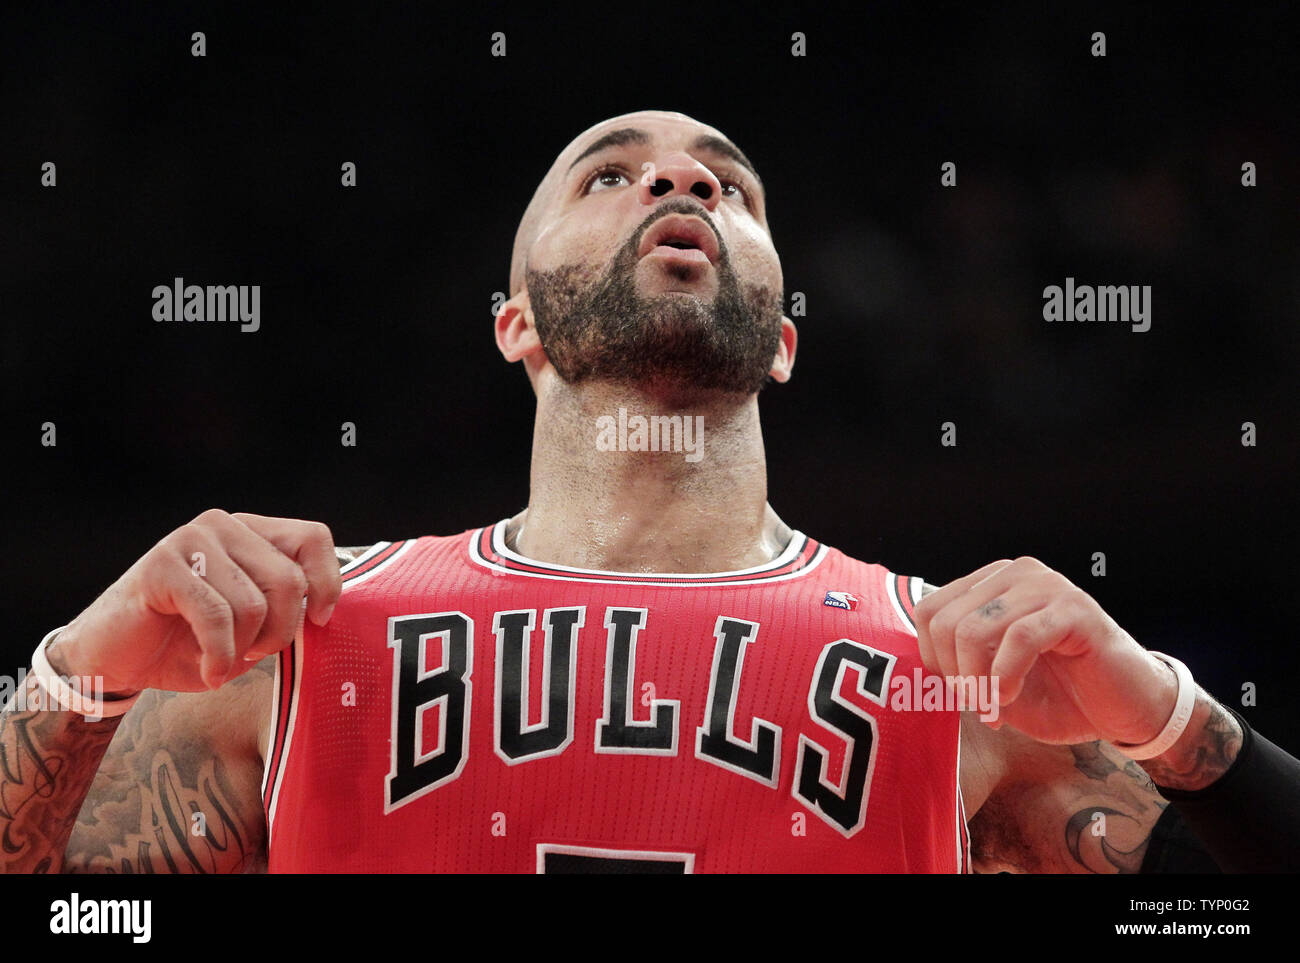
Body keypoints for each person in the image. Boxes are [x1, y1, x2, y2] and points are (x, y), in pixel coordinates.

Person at [2, 110, 1294, 874]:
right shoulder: (300, 642)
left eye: (727, 186)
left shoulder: (964, 672)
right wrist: (75, 674)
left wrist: (1172, 717)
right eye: (610, 174)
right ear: (514, 322)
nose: (682, 184)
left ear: (783, 337)